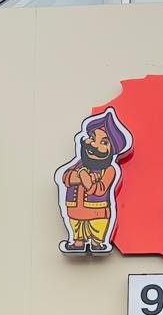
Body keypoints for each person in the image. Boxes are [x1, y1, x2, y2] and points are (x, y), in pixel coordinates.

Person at [55, 108, 133, 253]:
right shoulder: (78, 164)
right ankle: (78, 242)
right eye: (93, 137)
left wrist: (85, 179)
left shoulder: (109, 170)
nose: (95, 145)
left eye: (104, 142)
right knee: (78, 226)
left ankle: (98, 243)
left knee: (97, 227)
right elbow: (66, 177)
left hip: (97, 209)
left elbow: (100, 189)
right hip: (74, 207)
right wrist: (83, 177)